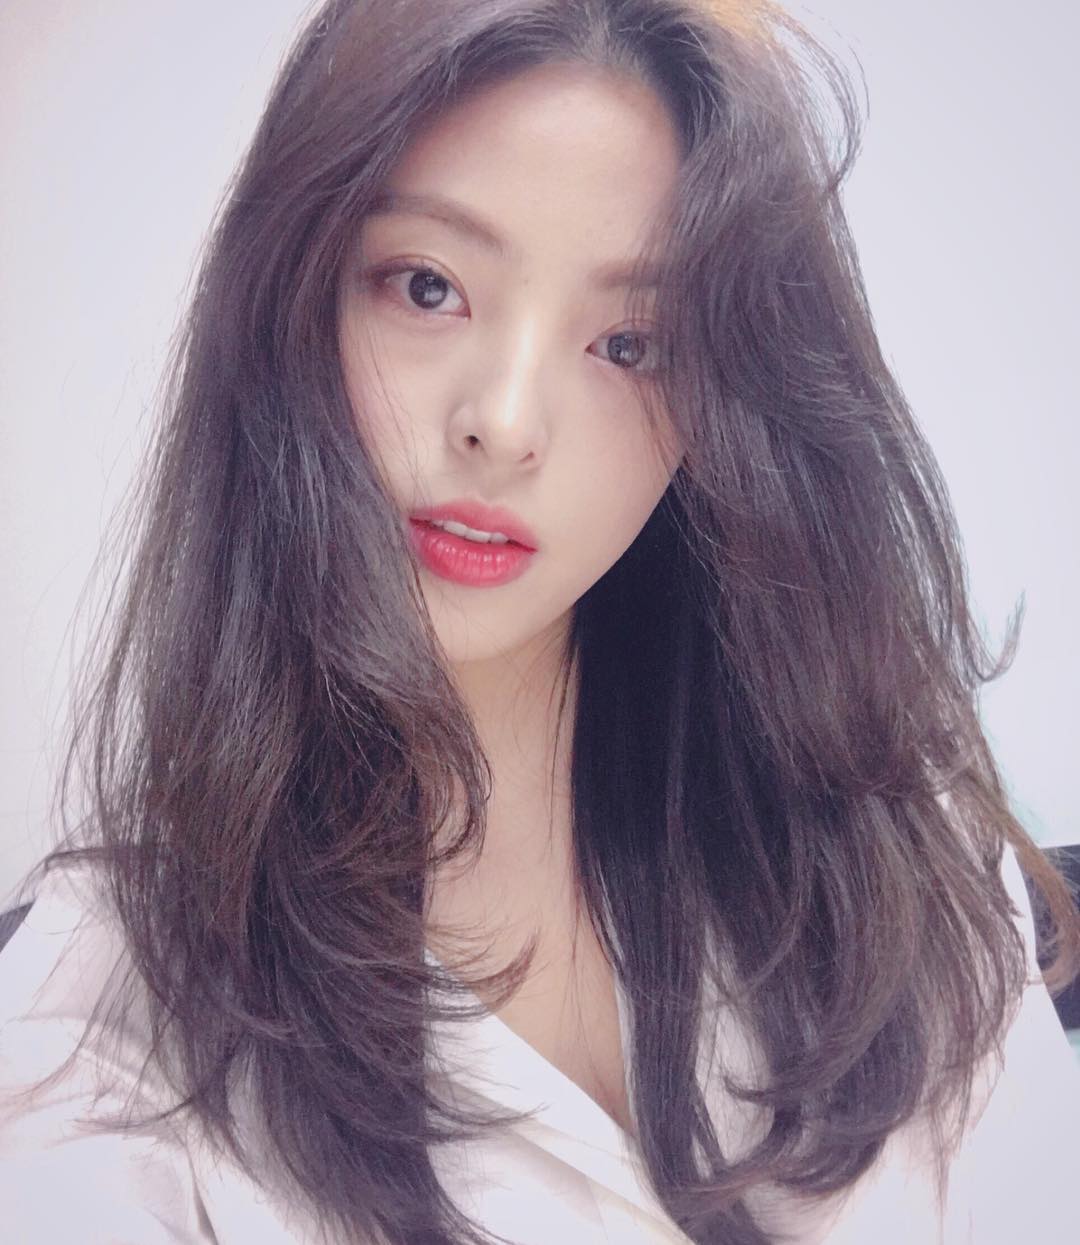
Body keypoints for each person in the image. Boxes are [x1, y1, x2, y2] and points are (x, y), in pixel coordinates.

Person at [1, 1, 1078, 1241]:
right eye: (428, 287)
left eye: (631, 343)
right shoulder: (101, 1051)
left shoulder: (894, 846)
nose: (505, 422)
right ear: (293, 303)